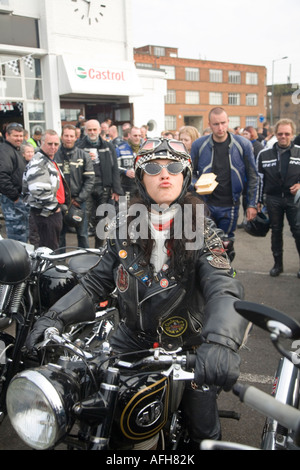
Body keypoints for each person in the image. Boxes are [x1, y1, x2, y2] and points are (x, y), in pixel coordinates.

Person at [26, 137, 248, 449]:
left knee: (204, 434)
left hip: (187, 349)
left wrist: (221, 341)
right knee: (96, 414)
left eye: (174, 167)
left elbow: (223, 287)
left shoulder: (203, 231)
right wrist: (53, 317)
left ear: (185, 176)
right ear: (141, 178)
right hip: (129, 342)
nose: (165, 174)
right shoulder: (122, 226)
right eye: (154, 168)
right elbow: (95, 283)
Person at [191, 107, 259, 260]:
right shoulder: (198, 145)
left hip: (230, 204)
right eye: (216, 124)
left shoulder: (243, 145)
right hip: (205, 203)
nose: (220, 128)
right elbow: (189, 173)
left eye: (223, 123)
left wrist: (252, 204)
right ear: (209, 124)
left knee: (226, 243)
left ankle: (224, 276)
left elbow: (253, 175)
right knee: (201, 243)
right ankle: (203, 278)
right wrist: (195, 184)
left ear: (228, 122)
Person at [256, 118, 300, 278]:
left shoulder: (299, 152)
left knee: (298, 231)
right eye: (280, 133)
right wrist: (258, 201)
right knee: (276, 232)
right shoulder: (264, 154)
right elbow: (259, 179)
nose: (283, 136)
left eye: (287, 134)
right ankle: (277, 265)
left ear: (292, 134)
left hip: (294, 200)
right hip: (273, 199)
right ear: (275, 134)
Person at [76, 119, 123, 247]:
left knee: (101, 220)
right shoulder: (79, 146)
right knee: (83, 219)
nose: (92, 132)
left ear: (99, 130)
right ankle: (84, 250)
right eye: (89, 130)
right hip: (86, 187)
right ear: (85, 131)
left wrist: (116, 189)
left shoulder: (108, 146)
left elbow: (115, 169)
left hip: (104, 186)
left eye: (94, 129)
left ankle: (98, 248)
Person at [22, 130, 65, 251]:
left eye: (56, 144)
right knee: (46, 252)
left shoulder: (48, 160)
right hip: (45, 215)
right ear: (41, 143)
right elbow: (38, 191)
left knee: (51, 249)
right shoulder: (38, 162)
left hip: (50, 214)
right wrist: (55, 207)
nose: (53, 147)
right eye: (49, 143)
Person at [55, 124, 95, 249]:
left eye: (71, 136)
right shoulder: (54, 155)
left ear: (76, 137)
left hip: (79, 202)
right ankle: (59, 261)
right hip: (59, 203)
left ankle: (85, 259)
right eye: (66, 135)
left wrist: (79, 199)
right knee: (60, 234)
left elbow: (90, 180)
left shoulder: (83, 155)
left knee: (82, 234)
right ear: (62, 137)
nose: (68, 138)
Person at [0, 122, 29, 242]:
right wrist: (15, 196)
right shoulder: (4, 151)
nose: (19, 139)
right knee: (17, 235)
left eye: (21, 136)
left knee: (23, 232)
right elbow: (2, 176)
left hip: (17, 198)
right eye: (15, 136)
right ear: (7, 135)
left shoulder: (15, 150)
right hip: (12, 201)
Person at [20, 142, 39, 248]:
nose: (30, 154)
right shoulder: (22, 165)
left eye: (32, 152)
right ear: (23, 153)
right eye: (28, 152)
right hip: (25, 200)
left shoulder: (36, 164)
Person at [115, 126, 142, 199]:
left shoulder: (144, 150)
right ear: (129, 135)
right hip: (125, 186)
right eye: (135, 135)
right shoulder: (120, 149)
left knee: (141, 209)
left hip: (140, 186)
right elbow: (114, 167)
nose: (137, 138)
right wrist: (125, 171)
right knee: (124, 209)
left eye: (139, 135)